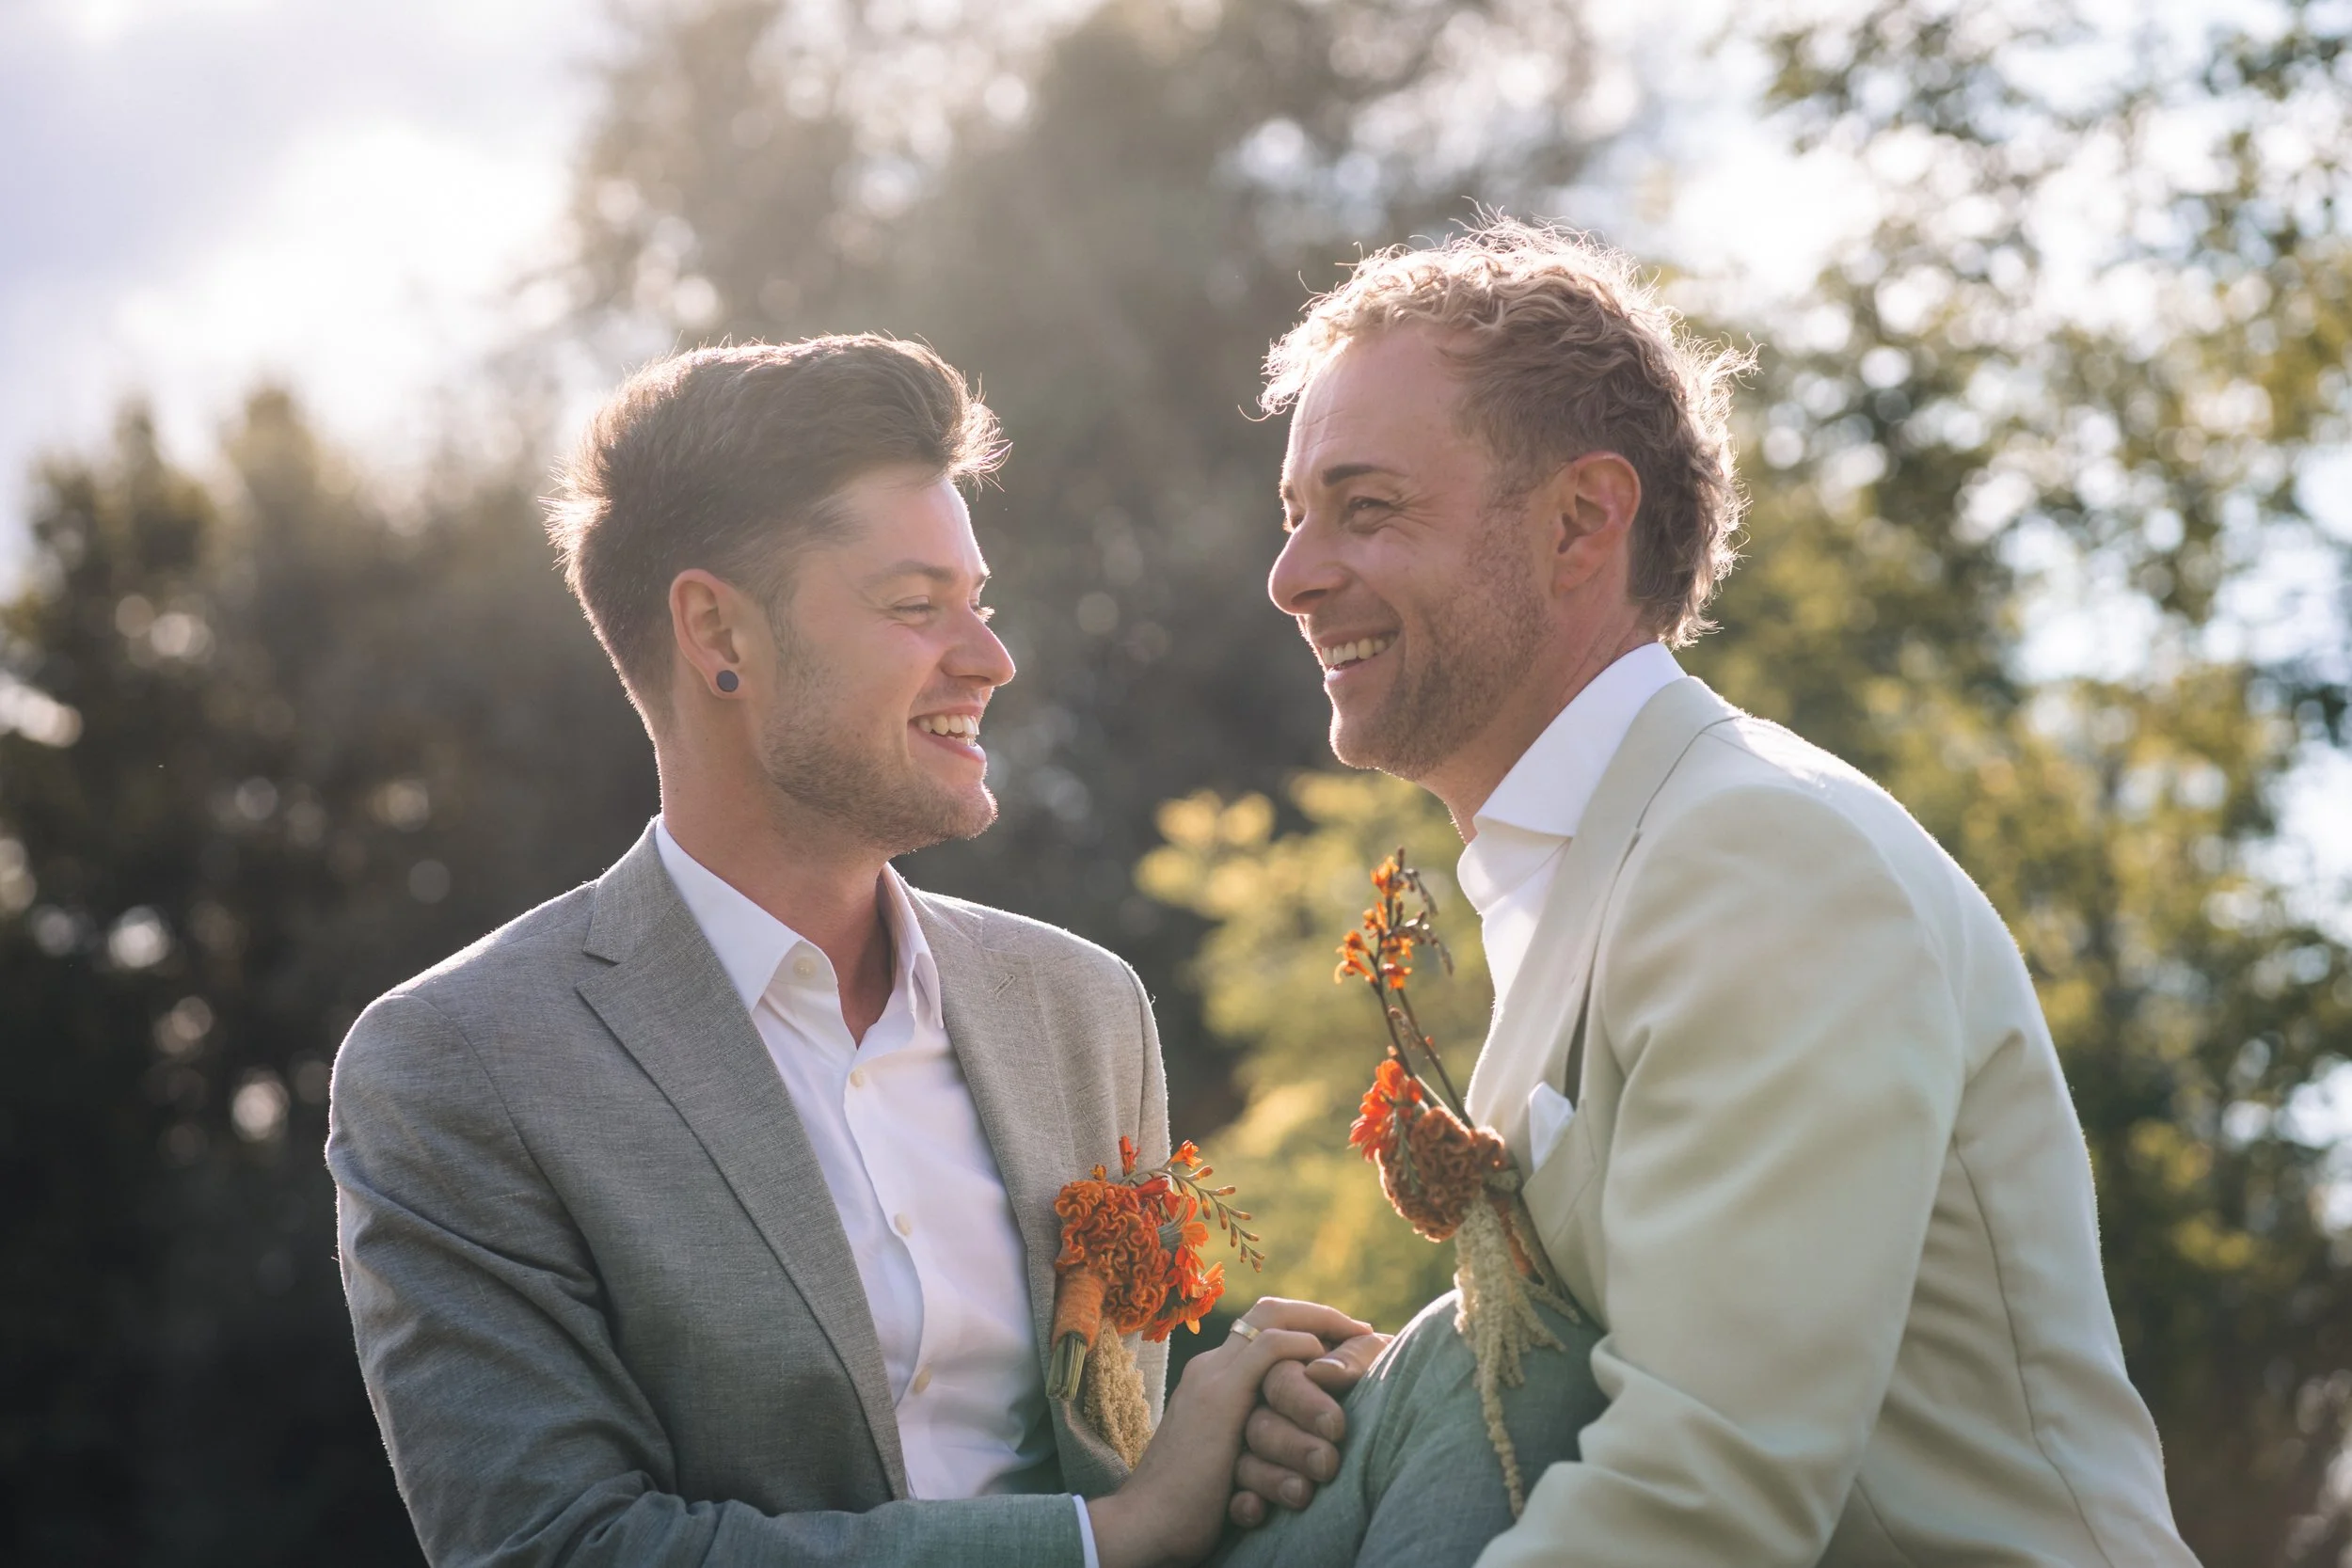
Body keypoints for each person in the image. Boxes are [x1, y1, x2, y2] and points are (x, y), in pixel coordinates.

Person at [1230, 219, 2201, 1566]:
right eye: (1294, 518)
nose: (1293, 577)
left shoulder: (1758, 855)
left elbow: (1699, 1496)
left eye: (1367, 507)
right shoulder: (1610, 860)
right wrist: (1371, 1405)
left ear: (1581, 522)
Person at [326, 335, 1375, 1568]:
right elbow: (562, 1547)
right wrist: (1105, 1539)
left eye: (976, 602)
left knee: (1465, 1390)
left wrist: (1249, 1413)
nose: (990, 658)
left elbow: (1126, 1432)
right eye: (916, 605)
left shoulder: (1084, 1008)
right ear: (719, 632)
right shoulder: (462, 1065)